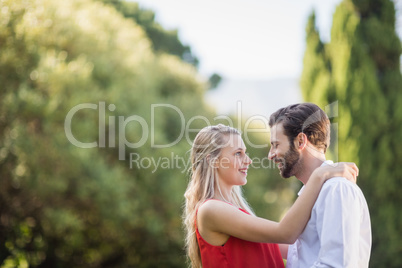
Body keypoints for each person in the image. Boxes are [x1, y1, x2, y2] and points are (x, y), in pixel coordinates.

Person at [183, 124, 359, 268]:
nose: (248, 160)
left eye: (245, 152)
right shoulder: (210, 210)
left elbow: (297, 247)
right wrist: (320, 174)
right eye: (238, 153)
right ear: (213, 161)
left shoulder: (237, 215)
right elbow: (286, 233)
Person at [268, 103, 371, 267]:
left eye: (276, 145)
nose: (270, 155)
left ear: (300, 140)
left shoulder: (336, 190)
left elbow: (337, 264)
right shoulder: (313, 193)